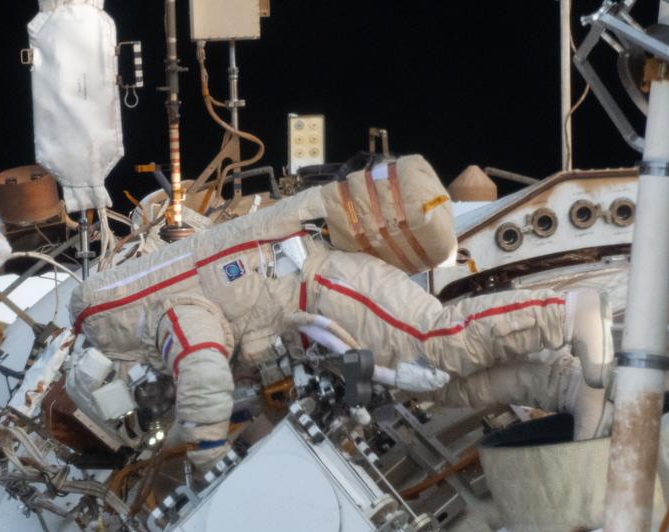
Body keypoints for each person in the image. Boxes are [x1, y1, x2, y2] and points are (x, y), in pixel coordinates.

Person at [69, 154, 611, 469]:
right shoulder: (165, 288)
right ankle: (563, 387)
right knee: (441, 384)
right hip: (320, 305)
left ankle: (570, 313)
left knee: (438, 340)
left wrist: (205, 450)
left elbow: (203, 367)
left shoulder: (160, 312)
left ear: (107, 337)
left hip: (325, 282)